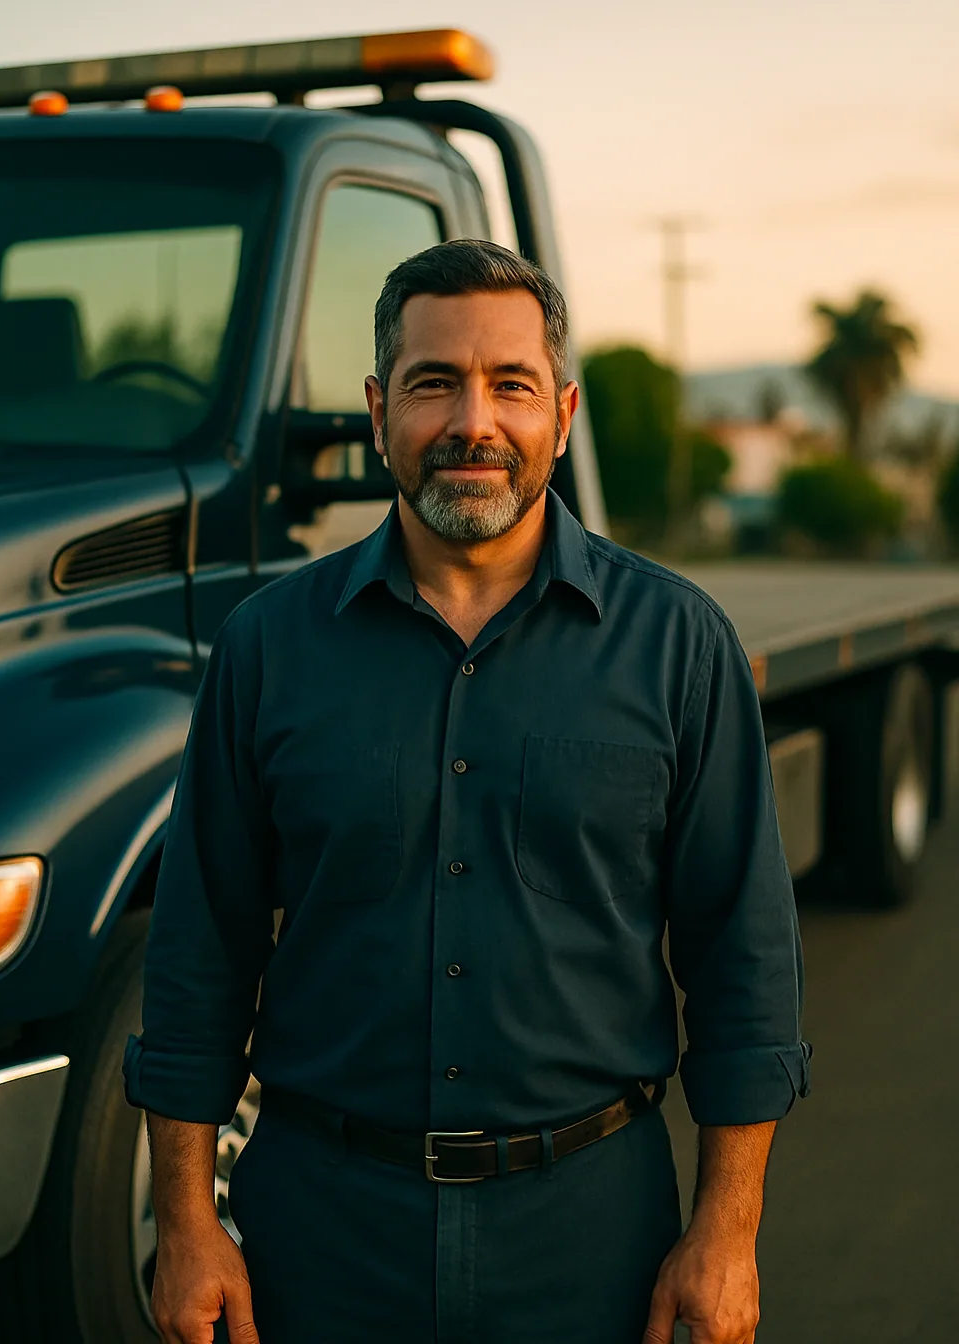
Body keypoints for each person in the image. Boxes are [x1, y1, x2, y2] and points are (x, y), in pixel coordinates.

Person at [123, 239, 810, 1344]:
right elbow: (200, 955)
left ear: (564, 413)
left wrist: (726, 1231)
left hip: (593, 1232)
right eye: (433, 382)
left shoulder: (679, 647)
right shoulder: (266, 650)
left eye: (510, 386)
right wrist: (189, 1224)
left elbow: (744, 958)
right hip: (321, 1234)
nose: (471, 423)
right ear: (377, 407)